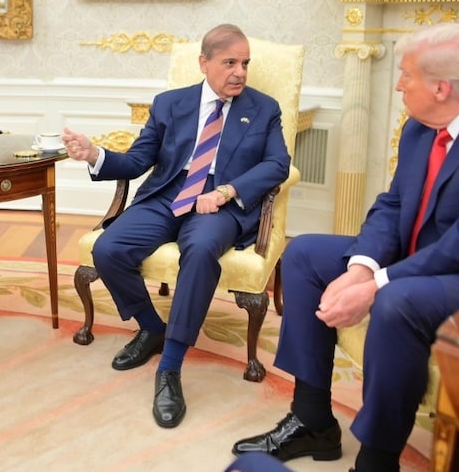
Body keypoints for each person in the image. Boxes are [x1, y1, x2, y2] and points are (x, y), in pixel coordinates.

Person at [231, 23, 459, 472]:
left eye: (407, 75)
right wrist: (362, 266)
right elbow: (394, 204)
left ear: (442, 87)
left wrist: (377, 285)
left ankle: (377, 469)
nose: (399, 84)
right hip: (440, 262)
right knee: (306, 254)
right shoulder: (423, 125)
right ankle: (313, 421)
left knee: (399, 301)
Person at [61, 24, 291, 429]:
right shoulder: (170, 104)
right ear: (204, 63)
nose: (240, 72)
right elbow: (136, 162)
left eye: (245, 63)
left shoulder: (264, 108)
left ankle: (169, 367)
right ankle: (152, 328)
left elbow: (277, 165)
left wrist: (226, 192)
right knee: (108, 249)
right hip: (168, 195)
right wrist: (95, 154)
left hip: (217, 204)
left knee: (200, 252)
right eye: (230, 63)